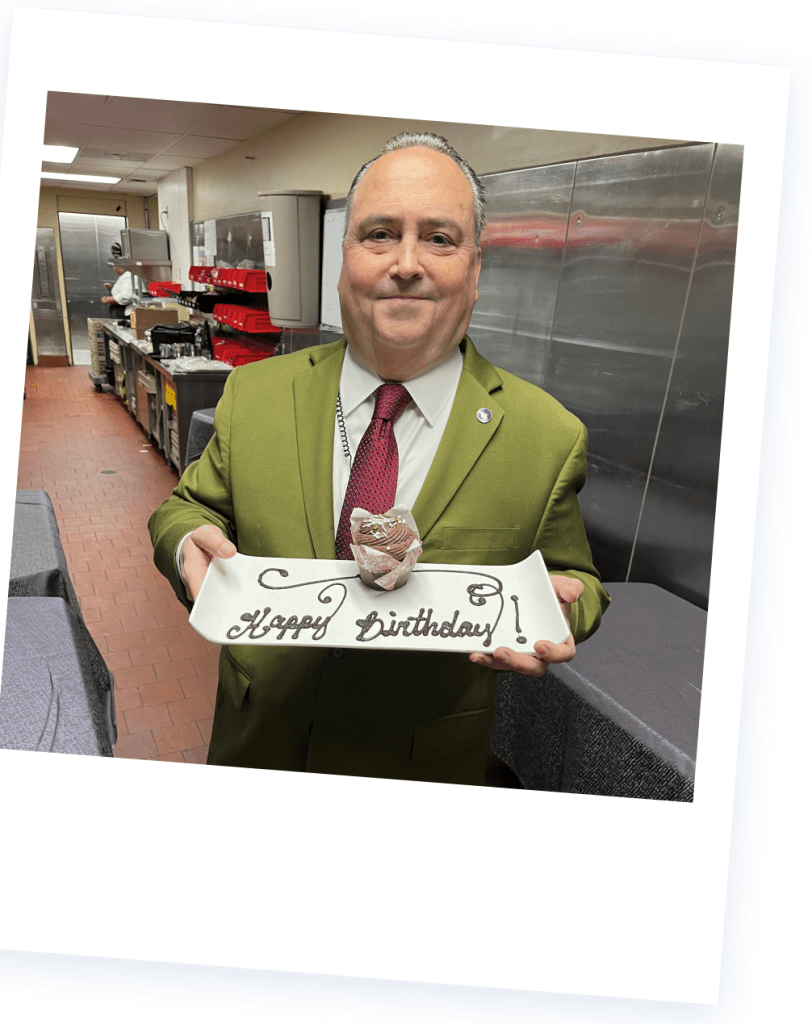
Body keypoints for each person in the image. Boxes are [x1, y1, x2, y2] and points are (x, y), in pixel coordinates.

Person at [148, 132, 610, 785]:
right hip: (257, 745)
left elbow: (575, 578)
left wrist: (559, 609)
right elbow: (186, 508)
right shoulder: (255, 395)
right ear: (344, 261)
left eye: (440, 239)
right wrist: (181, 542)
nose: (406, 263)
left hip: (418, 771)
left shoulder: (545, 436)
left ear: (475, 272)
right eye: (381, 234)